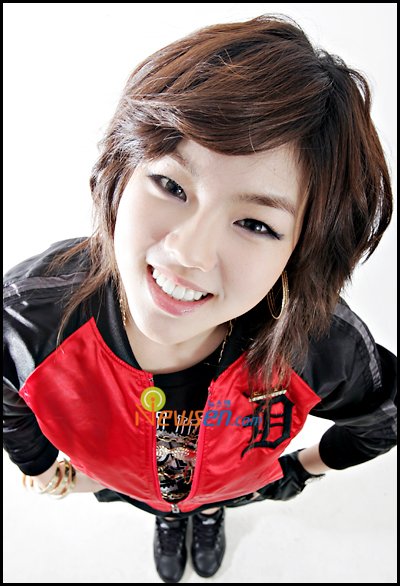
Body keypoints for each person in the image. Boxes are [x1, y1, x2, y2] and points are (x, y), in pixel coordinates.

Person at [3, 13, 396, 584]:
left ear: (302, 253)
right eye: (171, 185)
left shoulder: (322, 345)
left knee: (207, 504)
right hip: (128, 488)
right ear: (120, 170)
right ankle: (168, 518)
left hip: (233, 487)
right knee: (163, 505)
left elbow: (381, 419)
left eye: (256, 224)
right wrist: (40, 466)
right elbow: (9, 399)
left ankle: (207, 514)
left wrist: (295, 472)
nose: (188, 252)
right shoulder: (27, 318)